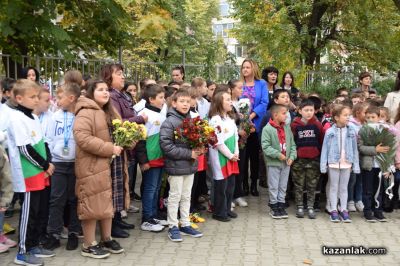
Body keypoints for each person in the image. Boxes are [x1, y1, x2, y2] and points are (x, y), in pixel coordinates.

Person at [73, 79, 125, 258]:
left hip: (110, 163)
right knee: (91, 204)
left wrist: (129, 138)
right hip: (92, 165)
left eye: (106, 89)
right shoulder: (86, 112)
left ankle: (106, 238)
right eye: (100, 90)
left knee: (106, 202)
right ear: (90, 93)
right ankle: (88, 244)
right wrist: (110, 149)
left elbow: (120, 132)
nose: (105, 92)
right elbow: (83, 138)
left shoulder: (110, 110)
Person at [7, 79, 56, 265]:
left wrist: (48, 162)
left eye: (37, 96)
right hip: (28, 174)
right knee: (29, 213)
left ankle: (34, 244)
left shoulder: (33, 117)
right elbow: (25, 149)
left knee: (39, 210)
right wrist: (45, 165)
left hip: (41, 172)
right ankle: (22, 251)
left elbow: (43, 143)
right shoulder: (17, 119)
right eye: (32, 97)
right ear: (19, 98)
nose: (36, 100)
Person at [100, 64, 143, 237]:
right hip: (114, 146)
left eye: (122, 73)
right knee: (114, 186)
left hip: (122, 146)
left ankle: (117, 218)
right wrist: (139, 119)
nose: (123, 77)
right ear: (109, 77)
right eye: (119, 74)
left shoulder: (121, 95)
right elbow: (118, 120)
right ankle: (113, 224)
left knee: (120, 184)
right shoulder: (111, 96)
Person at [159, 89, 203, 242]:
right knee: (175, 196)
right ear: (174, 103)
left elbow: (195, 140)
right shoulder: (169, 122)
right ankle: (173, 226)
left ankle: (184, 223)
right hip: (176, 166)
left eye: (187, 101)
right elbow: (166, 146)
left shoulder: (191, 120)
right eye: (182, 101)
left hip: (189, 166)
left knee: (186, 196)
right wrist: (189, 154)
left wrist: (199, 147)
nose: (185, 104)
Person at [43, 83, 81, 251]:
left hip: (75, 164)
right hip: (57, 163)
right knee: (56, 200)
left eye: (59, 98)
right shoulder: (53, 116)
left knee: (74, 199)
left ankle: (73, 232)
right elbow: (49, 139)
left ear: (71, 98)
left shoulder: (79, 116)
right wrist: (50, 159)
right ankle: (54, 234)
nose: (56, 101)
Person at [136, 84, 168, 232]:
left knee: (156, 189)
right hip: (150, 159)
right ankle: (146, 219)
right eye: (160, 97)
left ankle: (153, 215)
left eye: (163, 97)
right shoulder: (144, 114)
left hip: (160, 157)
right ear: (151, 99)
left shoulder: (161, 114)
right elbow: (140, 140)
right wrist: (143, 161)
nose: (163, 100)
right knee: (150, 188)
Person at [320, 104, 360, 223]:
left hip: (347, 163)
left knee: (344, 187)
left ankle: (343, 209)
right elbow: (325, 149)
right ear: (336, 117)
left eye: (349, 115)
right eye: (345, 115)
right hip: (333, 162)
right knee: (333, 187)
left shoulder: (351, 131)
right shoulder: (330, 131)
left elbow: (354, 149)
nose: (348, 117)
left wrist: (356, 165)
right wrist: (323, 165)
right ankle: (333, 210)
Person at [208, 91, 239, 222]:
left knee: (230, 185)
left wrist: (236, 152)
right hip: (221, 158)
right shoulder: (215, 120)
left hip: (232, 157)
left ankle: (227, 209)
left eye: (230, 99)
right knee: (221, 186)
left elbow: (236, 137)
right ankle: (219, 212)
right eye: (227, 99)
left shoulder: (230, 119)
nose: (230, 102)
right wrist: (230, 155)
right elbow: (218, 142)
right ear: (219, 103)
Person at [261, 104, 297, 219]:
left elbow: (292, 144)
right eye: (284, 113)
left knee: (283, 186)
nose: (286, 115)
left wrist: (292, 156)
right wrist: (278, 155)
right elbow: (265, 147)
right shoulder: (267, 129)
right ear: (275, 115)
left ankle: (281, 205)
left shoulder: (287, 127)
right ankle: (273, 206)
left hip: (286, 163)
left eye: (286, 113)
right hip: (274, 163)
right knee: (273, 186)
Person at [240, 59, 269, 196]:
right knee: (243, 156)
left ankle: (253, 185)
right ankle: (244, 184)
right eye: (243, 67)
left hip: (256, 124)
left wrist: (251, 116)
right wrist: (243, 118)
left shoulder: (261, 83)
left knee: (254, 157)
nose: (245, 70)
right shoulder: (240, 84)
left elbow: (264, 102)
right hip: (241, 126)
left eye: (248, 67)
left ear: (253, 69)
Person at [291, 99, 323, 219]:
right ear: (300, 111)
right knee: (299, 185)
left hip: (314, 160)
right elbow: (292, 142)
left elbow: (321, 140)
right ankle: (300, 206)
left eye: (311, 110)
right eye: (306, 110)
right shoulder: (294, 125)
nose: (309, 113)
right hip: (299, 160)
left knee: (312, 185)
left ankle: (310, 207)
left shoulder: (317, 124)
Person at [358, 106, 390, 222]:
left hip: (380, 166)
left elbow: (388, 149)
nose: (371, 119)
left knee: (379, 189)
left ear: (378, 118)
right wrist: (375, 150)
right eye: (368, 117)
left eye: (373, 117)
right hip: (368, 165)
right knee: (368, 190)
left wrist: (387, 166)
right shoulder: (363, 130)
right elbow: (361, 148)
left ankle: (378, 211)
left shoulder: (384, 130)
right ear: (365, 118)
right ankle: (368, 211)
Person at [347, 102, 369, 213]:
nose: (368, 115)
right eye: (366, 112)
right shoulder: (350, 124)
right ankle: (350, 200)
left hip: (363, 156)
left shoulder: (366, 123)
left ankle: (358, 199)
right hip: (353, 155)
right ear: (358, 113)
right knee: (352, 179)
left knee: (360, 179)